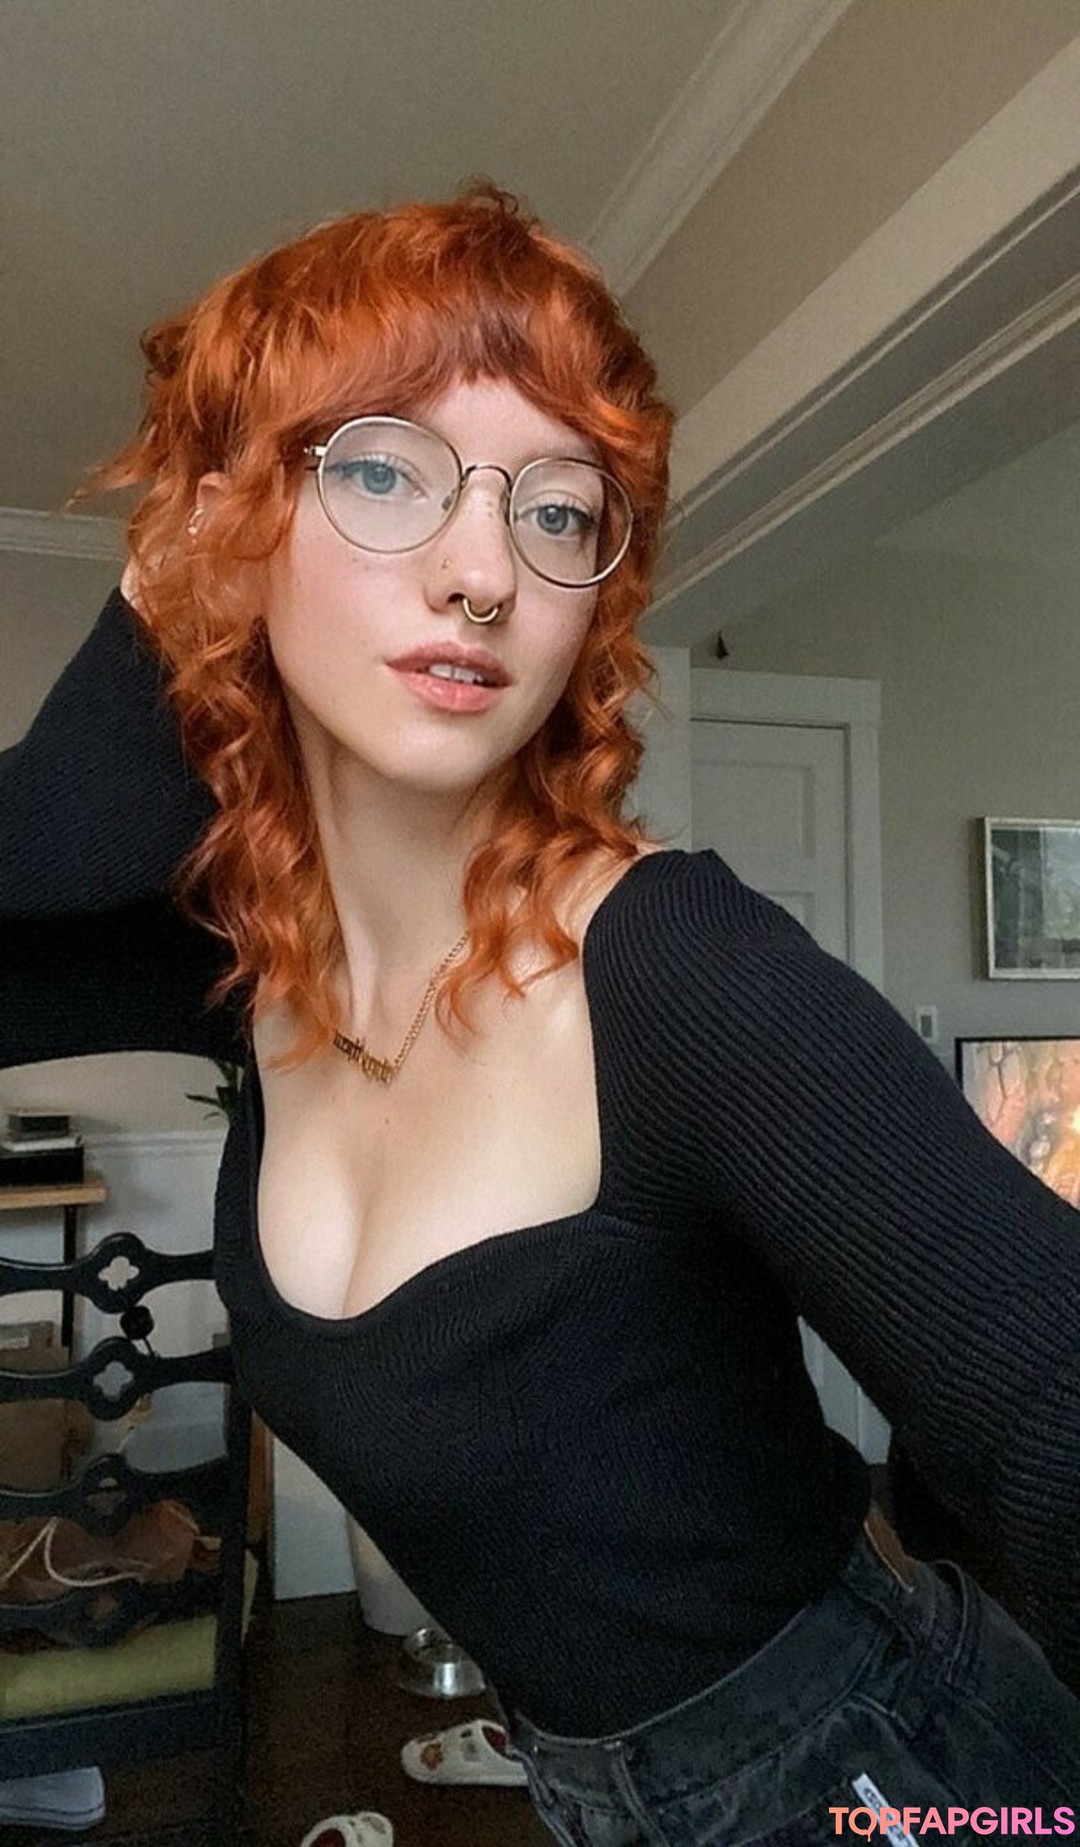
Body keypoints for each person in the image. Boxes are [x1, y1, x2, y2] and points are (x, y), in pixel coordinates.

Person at [2, 186, 1078, 1847]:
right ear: (234, 527)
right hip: (586, 1799)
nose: (483, 571)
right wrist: (171, 592)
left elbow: (1051, 1409)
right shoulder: (249, 974)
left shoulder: (671, 964)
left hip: (901, 1784)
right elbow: (38, 862)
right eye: (382, 470)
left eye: (558, 508)